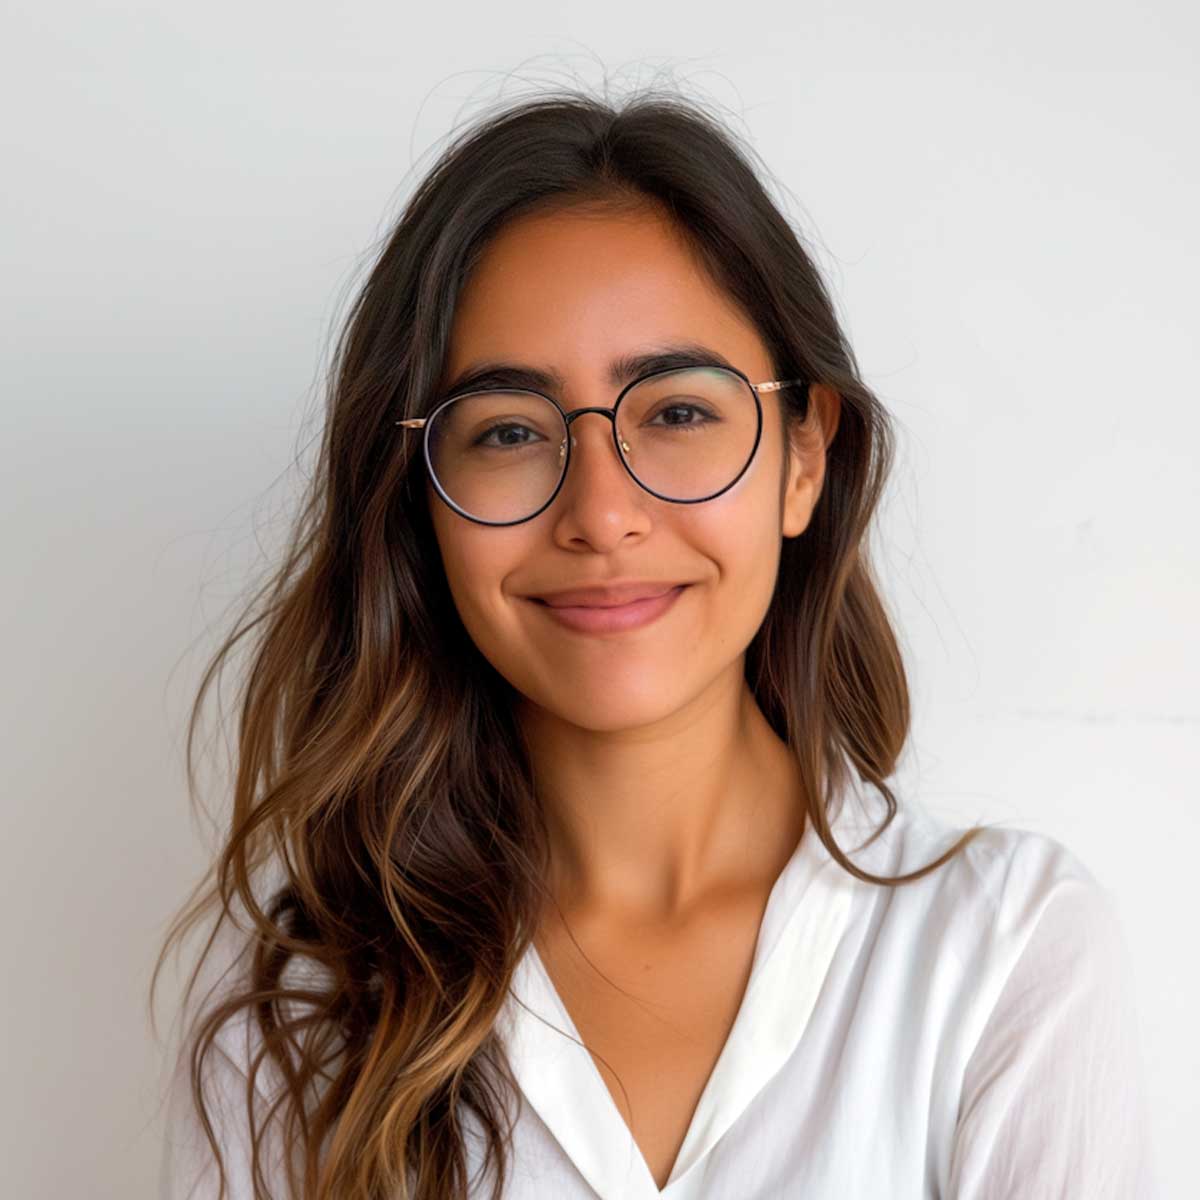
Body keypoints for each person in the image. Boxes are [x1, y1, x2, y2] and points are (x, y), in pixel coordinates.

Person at [152, 85, 1159, 1199]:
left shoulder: (1008, 953)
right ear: (418, 499)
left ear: (804, 457)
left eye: (677, 412)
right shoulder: (297, 1016)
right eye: (509, 431)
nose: (600, 513)